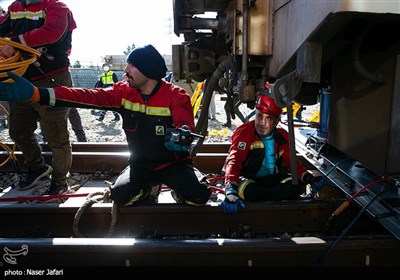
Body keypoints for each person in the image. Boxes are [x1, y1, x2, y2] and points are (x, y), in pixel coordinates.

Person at [0, 44, 212, 207]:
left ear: (148, 71)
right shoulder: (124, 93)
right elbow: (86, 96)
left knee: (200, 195)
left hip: (173, 165)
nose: (126, 70)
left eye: (132, 65)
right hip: (141, 165)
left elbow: (185, 126)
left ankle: (179, 190)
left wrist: (182, 135)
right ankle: (149, 190)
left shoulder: (176, 96)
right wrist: (38, 93)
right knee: (120, 196)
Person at [0, 0, 78, 194]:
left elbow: (52, 32)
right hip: (21, 80)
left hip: (52, 79)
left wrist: (13, 43)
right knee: (18, 131)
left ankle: (60, 182)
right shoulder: (15, 8)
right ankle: (38, 168)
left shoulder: (56, 7)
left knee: (57, 138)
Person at [220, 95, 326, 214]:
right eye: (259, 116)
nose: (262, 123)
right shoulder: (245, 132)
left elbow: (292, 162)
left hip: (271, 179)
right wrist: (230, 189)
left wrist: (309, 179)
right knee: (250, 191)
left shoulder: (283, 136)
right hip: (249, 179)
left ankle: (266, 195)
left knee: (299, 186)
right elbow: (234, 160)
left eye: (268, 118)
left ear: (276, 121)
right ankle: (272, 195)